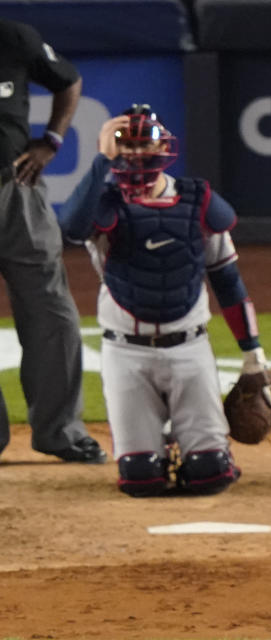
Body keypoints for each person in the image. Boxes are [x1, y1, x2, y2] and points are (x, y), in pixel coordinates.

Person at [58, 104, 270, 496]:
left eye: (144, 144)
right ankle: (153, 449)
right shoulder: (104, 205)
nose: (137, 154)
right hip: (126, 354)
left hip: (189, 348)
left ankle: (195, 446)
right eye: (127, 146)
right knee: (141, 480)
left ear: (163, 148)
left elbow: (227, 280)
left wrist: (252, 353)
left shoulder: (197, 202)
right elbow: (71, 226)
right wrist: (100, 160)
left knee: (211, 473)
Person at [0, 19, 107, 463]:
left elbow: (69, 81)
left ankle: (60, 432)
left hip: (15, 189)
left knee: (52, 311)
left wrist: (53, 140)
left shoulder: (13, 37)